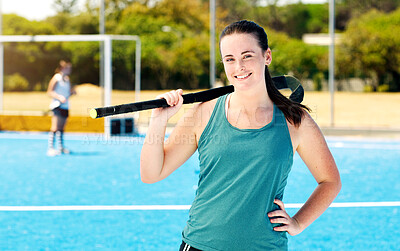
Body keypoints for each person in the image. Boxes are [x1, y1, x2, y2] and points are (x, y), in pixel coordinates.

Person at [140, 20, 341, 250]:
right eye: (230, 59)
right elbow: (151, 173)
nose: (239, 67)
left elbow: (330, 181)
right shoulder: (203, 113)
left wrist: (298, 223)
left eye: (247, 56)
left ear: (267, 56)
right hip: (201, 244)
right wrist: (158, 120)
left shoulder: (295, 121)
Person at [46, 60, 75, 156]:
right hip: (57, 106)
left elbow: (68, 92)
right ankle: (50, 148)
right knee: (55, 128)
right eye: (68, 68)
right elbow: (49, 92)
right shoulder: (56, 78)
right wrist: (59, 97)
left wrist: (72, 92)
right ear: (62, 68)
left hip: (65, 106)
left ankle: (61, 147)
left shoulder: (67, 79)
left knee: (61, 128)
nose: (69, 70)